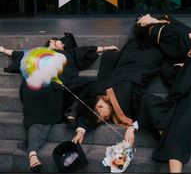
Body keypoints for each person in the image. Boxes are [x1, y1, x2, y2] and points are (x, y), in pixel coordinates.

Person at [0, 34, 119, 172]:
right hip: (39, 82)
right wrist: (3, 50)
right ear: (52, 41)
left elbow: (87, 50)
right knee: (37, 97)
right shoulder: (35, 52)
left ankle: (73, 113)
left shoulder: (67, 52)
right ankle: (33, 153)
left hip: (64, 83)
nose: (63, 44)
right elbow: (16, 53)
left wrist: (106, 47)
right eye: (61, 42)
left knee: (92, 84)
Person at [64, 21, 164, 147]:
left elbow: (91, 114)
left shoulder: (102, 93)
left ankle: (142, 22)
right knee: (153, 45)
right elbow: (90, 114)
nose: (106, 119)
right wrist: (80, 132)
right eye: (103, 120)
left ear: (99, 106)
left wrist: (132, 127)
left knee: (136, 38)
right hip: (141, 66)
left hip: (129, 65)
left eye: (103, 117)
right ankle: (149, 27)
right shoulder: (106, 100)